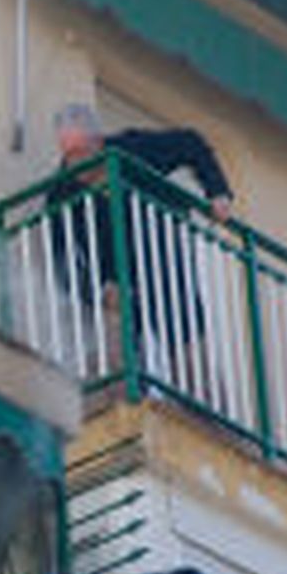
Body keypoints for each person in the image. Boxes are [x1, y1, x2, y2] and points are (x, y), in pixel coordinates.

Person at [45, 104, 235, 379]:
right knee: (115, 355)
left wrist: (218, 193)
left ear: (99, 142)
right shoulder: (61, 192)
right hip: (117, 282)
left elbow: (191, 144)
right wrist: (96, 292)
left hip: (163, 260)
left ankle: (206, 415)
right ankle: (127, 401)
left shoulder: (131, 149)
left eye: (81, 153)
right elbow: (62, 259)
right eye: (68, 156)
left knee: (190, 351)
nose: (76, 165)